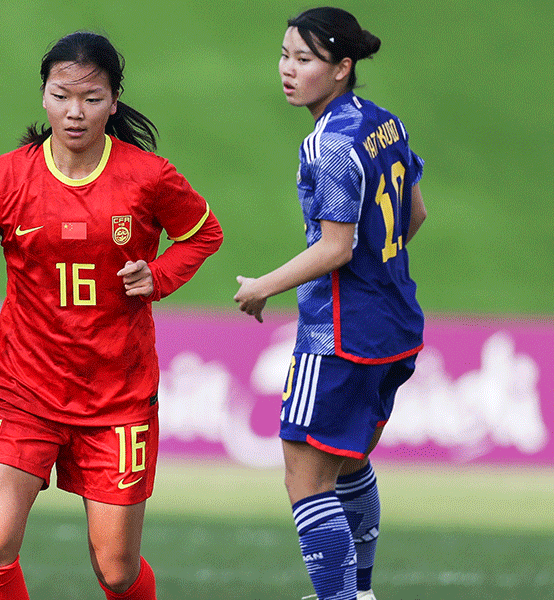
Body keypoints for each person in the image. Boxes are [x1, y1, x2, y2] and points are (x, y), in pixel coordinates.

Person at [0, 30, 223, 600]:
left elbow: (202, 235)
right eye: (62, 95)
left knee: (116, 571)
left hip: (116, 394)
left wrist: (158, 277)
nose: (75, 111)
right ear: (44, 96)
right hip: (22, 389)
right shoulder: (7, 176)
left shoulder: (149, 176)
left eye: (92, 98)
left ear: (114, 102)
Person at [234, 8, 427, 600]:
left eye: (305, 60)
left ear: (342, 69)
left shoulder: (329, 145)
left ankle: (341, 598)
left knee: (306, 476)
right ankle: (359, 592)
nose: (288, 71)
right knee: (346, 463)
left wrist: (265, 283)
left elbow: (336, 247)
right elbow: (415, 214)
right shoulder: (382, 123)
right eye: (285, 55)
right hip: (395, 322)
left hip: (339, 335)